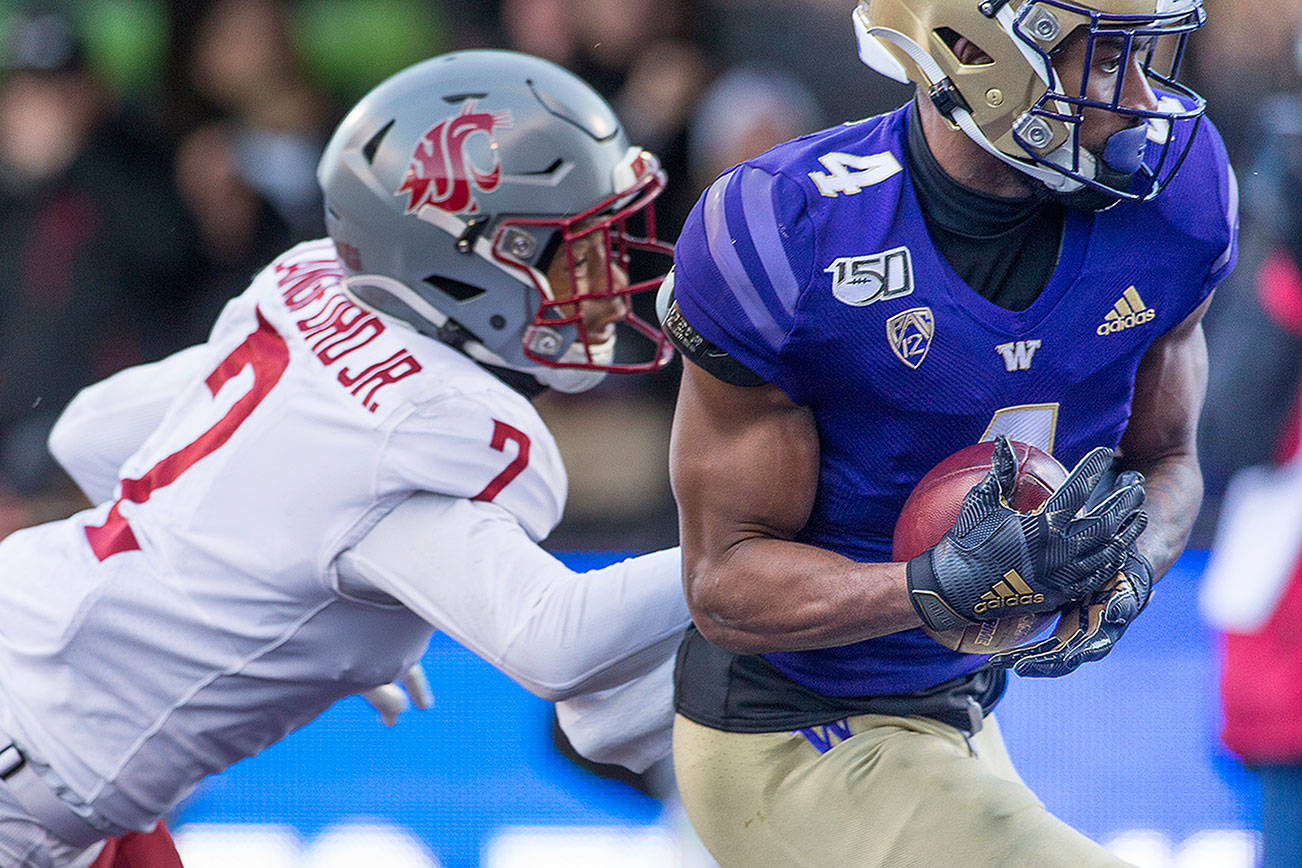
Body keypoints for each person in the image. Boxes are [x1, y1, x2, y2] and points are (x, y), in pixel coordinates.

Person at [0, 49, 691, 867]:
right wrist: (757, 554)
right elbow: (556, 639)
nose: (613, 284)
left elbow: (87, 433)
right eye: (580, 251)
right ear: (473, 257)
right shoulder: (427, 429)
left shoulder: (314, 299)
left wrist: (273, 578)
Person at [660, 0, 1237, 865]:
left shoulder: (1177, 195)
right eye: (1110, 60)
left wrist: (1127, 563)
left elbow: (1168, 461)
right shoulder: (790, 228)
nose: (1147, 103)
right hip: (791, 734)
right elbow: (722, 580)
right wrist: (932, 585)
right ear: (977, 51)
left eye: (1148, 56)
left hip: (959, 716)